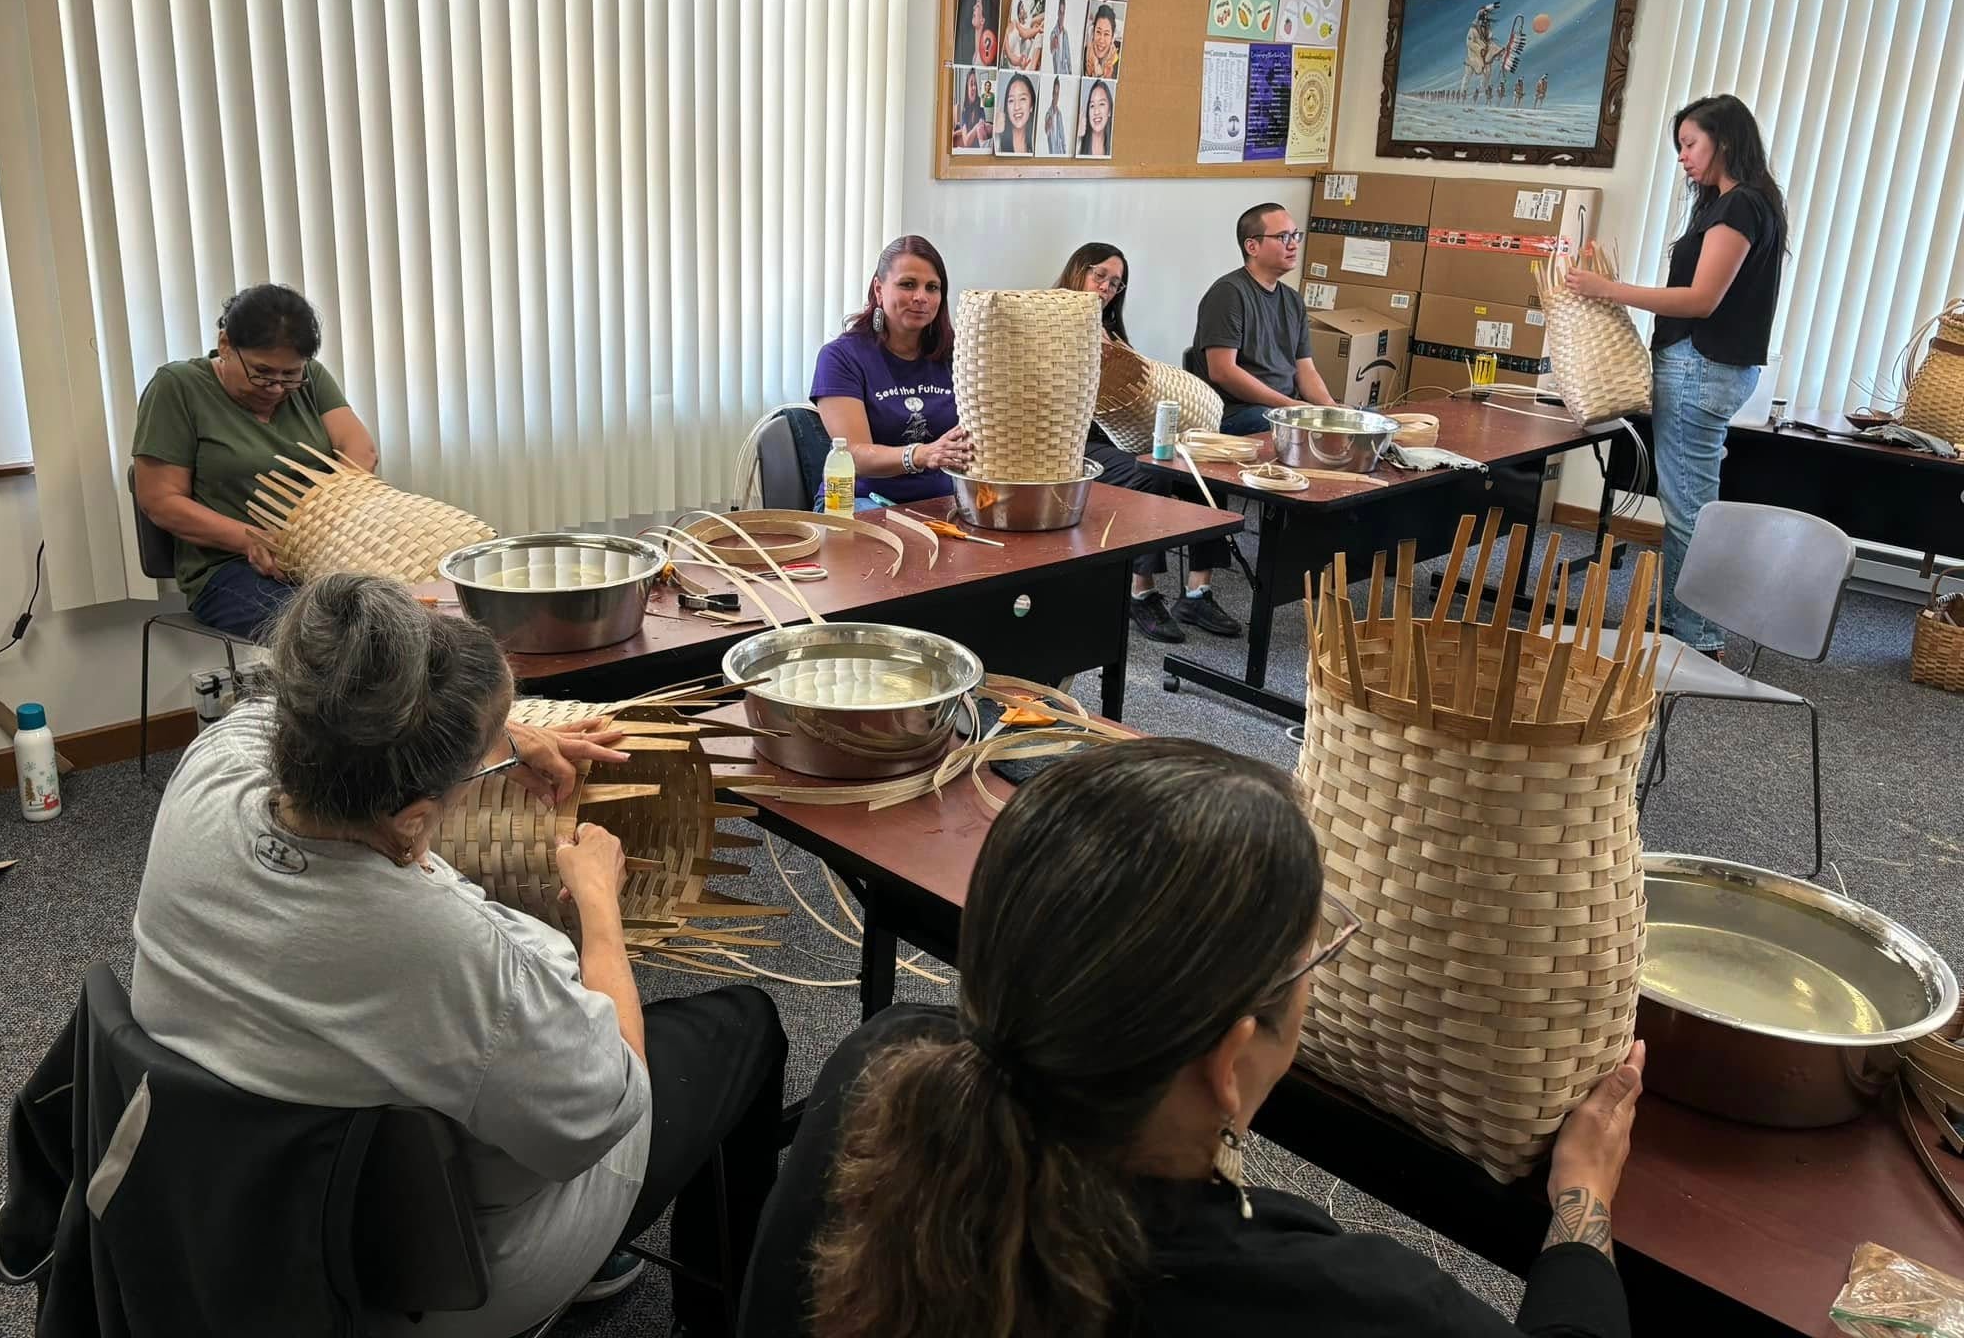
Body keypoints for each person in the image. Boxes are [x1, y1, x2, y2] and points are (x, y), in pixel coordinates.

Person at [737, 740, 1643, 1338]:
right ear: (1228, 1061)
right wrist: (1579, 1208)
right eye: (1310, 957)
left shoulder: (876, 1070)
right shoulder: (1346, 1305)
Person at [130, 574, 789, 1336]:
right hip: (432, 1284)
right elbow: (613, 1101)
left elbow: (284, 710)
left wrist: (506, 738)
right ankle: (716, 1317)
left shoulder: (210, 773)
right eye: (475, 769)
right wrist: (600, 910)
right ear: (413, 823)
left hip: (223, 1214)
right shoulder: (459, 956)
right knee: (743, 1024)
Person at [1565, 93, 1787, 655]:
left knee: (1688, 511)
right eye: (1680, 146)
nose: (1683, 157)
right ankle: (1694, 624)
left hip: (1699, 367)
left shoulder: (1739, 207)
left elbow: (1701, 299)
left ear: (1725, 142)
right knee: (1697, 504)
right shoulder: (1744, 202)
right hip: (1711, 368)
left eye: (1691, 145)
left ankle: (1698, 636)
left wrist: (1608, 290)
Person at [132, 283, 378, 640]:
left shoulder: (312, 379)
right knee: (332, 635)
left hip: (322, 554)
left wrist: (320, 529)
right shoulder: (178, 387)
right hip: (228, 568)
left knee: (409, 614)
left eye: (290, 375)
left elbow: (360, 451)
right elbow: (161, 501)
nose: (276, 388)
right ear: (226, 345)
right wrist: (253, 540)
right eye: (262, 373)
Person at [1062, 243, 1240, 642]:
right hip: (1075, 441)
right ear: (1078, 271)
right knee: (1151, 475)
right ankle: (1140, 592)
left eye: (1116, 283)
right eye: (1100, 276)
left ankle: (1198, 590)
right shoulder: (1055, 322)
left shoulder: (1110, 329)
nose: (1107, 287)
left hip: (1121, 435)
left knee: (1201, 468)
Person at [812, 236, 973, 506]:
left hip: (942, 502)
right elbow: (853, 455)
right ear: (878, 289)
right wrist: (921, 455)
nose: (921, 297)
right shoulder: (840, 357)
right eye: (907, 284)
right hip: (860, 501)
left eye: (932, 287)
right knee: (903, 545)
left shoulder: (957, 355)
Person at [1193, 203, 1337, 435]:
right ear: (1252, 246)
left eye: (1295, 235)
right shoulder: (1228, 293)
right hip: (1238, 412)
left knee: (1365, 419)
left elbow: (1305, 369)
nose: (1293, 244)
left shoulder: (1293, 300)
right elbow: (1222, 371)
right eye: (1282, 237)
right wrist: (1289, 407)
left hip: (1282, 409)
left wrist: (1331, 410)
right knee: (1280, 425)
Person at [994, 71, 1038, 156]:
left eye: (1022, 99)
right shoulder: (997, 141)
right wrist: (995, 134)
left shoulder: (1037, 143)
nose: (1017, 107)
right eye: (1011, 100)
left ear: (1031, 106)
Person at [1001, 0, 1043, 69]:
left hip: (1025, 63)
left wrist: (1038, 29)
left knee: (1039, 35)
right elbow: (1010, 55)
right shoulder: (1004, 35)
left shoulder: (1015, 23)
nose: (1024, 9)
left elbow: (1025, 33)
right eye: (1021, 8)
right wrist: (1019, 61)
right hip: (1017, 67)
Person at [1075, 78, 1114, 157]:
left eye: (1101, 104)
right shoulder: (1078, 145)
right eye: (1092, 105)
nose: (1096, 112)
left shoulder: (1114, 147)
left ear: (1109, 110)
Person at [953, 72, 992, 150]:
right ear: (967, 87)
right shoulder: (965, 110)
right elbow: (966, 136)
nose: (974, 87)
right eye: (971, 84)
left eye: (975, 84)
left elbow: (967, 141)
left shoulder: (980, 104)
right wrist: (956, 133)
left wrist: (977, 126)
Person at [1082, 3, 1120, 79]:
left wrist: (1108, 77)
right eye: (1098, 32)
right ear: (1093, 32)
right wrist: (1088, 74)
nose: (1101, 40)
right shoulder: (1084, 54)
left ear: (1112, 38)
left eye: (1106, 34)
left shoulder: (1117, 63)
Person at [1047, 0, 1074, 74]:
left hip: (1066, 71)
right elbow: (1051, 51)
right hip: (1058, 71)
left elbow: (1068, 55)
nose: (1062, 16)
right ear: (1057, 13)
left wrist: (1070, 71)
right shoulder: (1053, 33)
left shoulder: (1066, 33)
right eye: (1060, 12)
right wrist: (1054, 44)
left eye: (1063, 13)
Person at [1042, 76, 1068, 156]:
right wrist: (1048, 126)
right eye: (1055, 93)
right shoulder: (1048, 114)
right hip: (1052, 153)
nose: (1056, 96)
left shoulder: (1059, 114)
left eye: (1058, 93)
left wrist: (1064, 150)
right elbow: (1046, 131)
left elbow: (1062, 134)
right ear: (1052, 93)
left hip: (1061, 153)